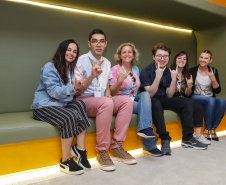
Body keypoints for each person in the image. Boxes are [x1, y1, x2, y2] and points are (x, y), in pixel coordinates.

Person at [73, 29, 137, 172]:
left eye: (102, 41)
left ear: (106, 44)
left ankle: (116, 147)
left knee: (126, 101)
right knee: (106, 102)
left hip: (101, 100)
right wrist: (91, 76)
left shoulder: (107, 63)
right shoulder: (80, 61)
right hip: (83, 101)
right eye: (95, 41)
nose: (98, 44)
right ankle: (102, 151)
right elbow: (77, 92)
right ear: (89, 43)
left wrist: (108, 94)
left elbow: (107, 88)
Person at [31, 39, 91, 175]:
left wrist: (77, 87)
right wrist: (73, 87)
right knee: (70, 116)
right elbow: (53, 92)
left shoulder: (69, 68)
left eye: (75, 51)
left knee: (81, 104)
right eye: (69, 50)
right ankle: (65, 160)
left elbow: (68, 93)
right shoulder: (49, 67)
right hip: (42, 107)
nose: (72, 53)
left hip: (59, 104)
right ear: (62, 50)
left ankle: (80, 150)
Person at [140, 43, 208, 155]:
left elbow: (170, 95)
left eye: (165, 56)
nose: (162, 59)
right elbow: (150, 94)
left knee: (188, 102)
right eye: (159, 56)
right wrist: (157, 77)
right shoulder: (146, 71)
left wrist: (173, 79)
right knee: (156, 103)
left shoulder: (168, 72)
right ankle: (165, 139)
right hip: (149, 100)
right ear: (153, 57)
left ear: (168, 58)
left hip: (164, 99)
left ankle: (188, 138)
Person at [109, 43, 163, 157]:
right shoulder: (115, 69)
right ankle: (150, 146)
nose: (127, 54)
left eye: (129, 52)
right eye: (124, 52)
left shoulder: (135, 69)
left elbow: (136, 89)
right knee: (147, 109)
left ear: (133, 55)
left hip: (135, 98)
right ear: (119, 55)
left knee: (145, 94)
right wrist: (120, 81)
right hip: (121, 100)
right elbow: (111, 92)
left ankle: (145, 130)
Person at [170, 51, 210, 145]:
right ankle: (188, 137)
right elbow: (169, 94)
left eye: (184, 59)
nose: (182, 60)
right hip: (171, 97)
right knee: (188, 103)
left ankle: (198, 135)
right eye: (179, 58)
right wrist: (173, 79)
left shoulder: (187, 74)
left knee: (197, 105)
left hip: (183, 97)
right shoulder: (169, 71)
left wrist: (190, 85)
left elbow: (187, 94)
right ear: (175, 59)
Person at [190, 50, 226, 141]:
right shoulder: (192, 70)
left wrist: (213, 79)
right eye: (201, 57)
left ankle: (213, 128)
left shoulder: (213, 70)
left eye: (206, 58)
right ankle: (208, 127)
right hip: (195, 96)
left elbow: (217, 90)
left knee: (222, 101)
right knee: (211, 100)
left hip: (210, 97)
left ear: (210, 60)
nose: (203, 60)